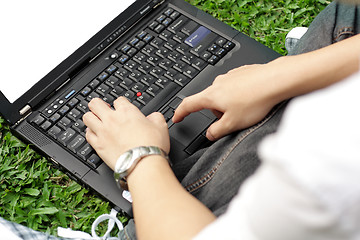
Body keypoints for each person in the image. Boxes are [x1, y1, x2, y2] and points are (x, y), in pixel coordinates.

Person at [1, 0, 360, 239]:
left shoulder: (329, 167)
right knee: (348, 15)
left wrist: (139, 158)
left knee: (159, 202)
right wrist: (280, 74)